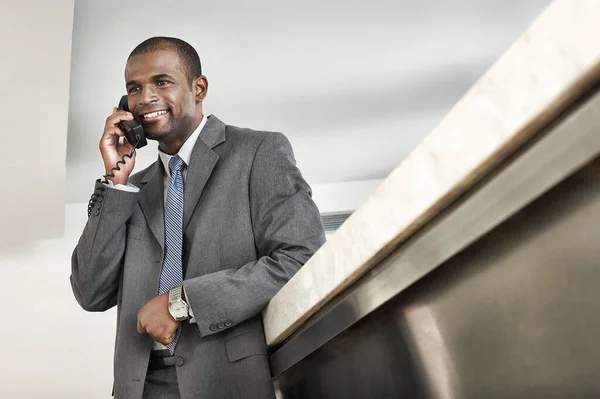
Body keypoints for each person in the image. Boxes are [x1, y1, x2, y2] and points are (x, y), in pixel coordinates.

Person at [70, 36, 325, 399]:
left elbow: (302, 257)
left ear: (199, 87)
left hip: (225, 381)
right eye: (134, 88)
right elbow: (90, 292)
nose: (145, 99)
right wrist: (115, 180)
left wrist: (184, 302)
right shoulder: (129, 191)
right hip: (139, 386)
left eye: (161, 82)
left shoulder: (258, 152)